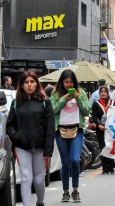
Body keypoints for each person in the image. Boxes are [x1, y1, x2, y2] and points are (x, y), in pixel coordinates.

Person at [6, 71, 55, 206]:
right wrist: (17, 136)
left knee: (39, 180)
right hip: (22, 147)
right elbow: (9, 125)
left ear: (37, 84)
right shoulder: (16, 103)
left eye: (32, 82)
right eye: (26, 82)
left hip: (40, 147)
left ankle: (40, 201)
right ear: (21, 85)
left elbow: (50, 128)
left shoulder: (45, 103)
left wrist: (48, 150)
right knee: (26, 178)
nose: (29, 85)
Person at [51, 69, 91, 202]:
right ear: (62, 82)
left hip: (77, 130)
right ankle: (66, 192)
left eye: (71, 82)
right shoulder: (56, 94)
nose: (69, 85)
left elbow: (86, 110)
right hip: (61, 131)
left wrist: (78, 98)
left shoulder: (82, 93)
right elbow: (52, 111)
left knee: (75, 160)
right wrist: (63, 99)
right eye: (66, 82)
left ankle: (75, 190)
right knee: (65, 163)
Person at [91, 85, 115, 174]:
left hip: (111, 129)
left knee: (110, 146)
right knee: (103, 147)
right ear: (99, 93)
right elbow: (94, 116)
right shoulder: (96, 103)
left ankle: (111, 166)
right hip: (100, 129)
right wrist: (98, 125)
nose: (103, 93)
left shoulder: (113, 103)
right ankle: (105, 167)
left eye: (105, 92)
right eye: (101, 92)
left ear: (108, 93)